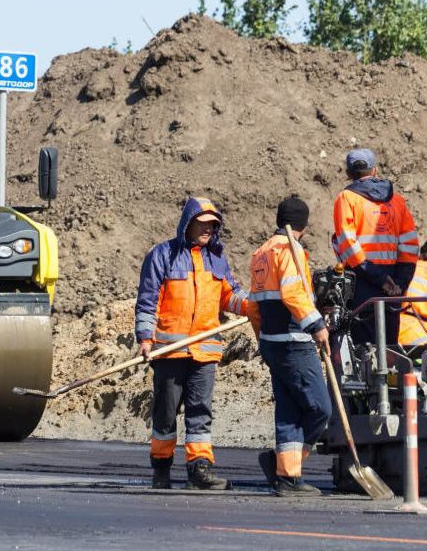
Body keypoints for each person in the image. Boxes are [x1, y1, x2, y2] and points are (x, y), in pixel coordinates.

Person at [134, 197, 250, 490]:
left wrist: (254, 306)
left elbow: (230, 297)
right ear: (188, 223)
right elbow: (148, 302)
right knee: (165, 413)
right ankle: (161, 469)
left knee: (200, 412)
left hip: (205, 351)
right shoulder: (163, 256)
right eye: (203, 223)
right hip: (170, 351)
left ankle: (200, 469)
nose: (208, 229)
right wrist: (146, 339)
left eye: (213, 224)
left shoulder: (216, 259)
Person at [248, 196, 333, 497]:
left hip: (273, 343)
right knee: (320, 408)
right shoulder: (290, 250)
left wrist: (262, 340)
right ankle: (287, 469)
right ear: (304, 227)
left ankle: (285, 474)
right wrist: (317, 325)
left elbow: (254, 306)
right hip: (294, 342)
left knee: (288, 410)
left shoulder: (261, 253)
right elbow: (294, 294)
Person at [332, 148, 419, 344]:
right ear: (375, 170)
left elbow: (348, 246)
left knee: (365, 350)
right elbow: (410, 246)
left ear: (348, 174)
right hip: (394, 284)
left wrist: (381, 280)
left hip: (363, 282)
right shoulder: (397, 200)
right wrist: (399, 284)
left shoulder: (346, 198)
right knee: (389, 349)